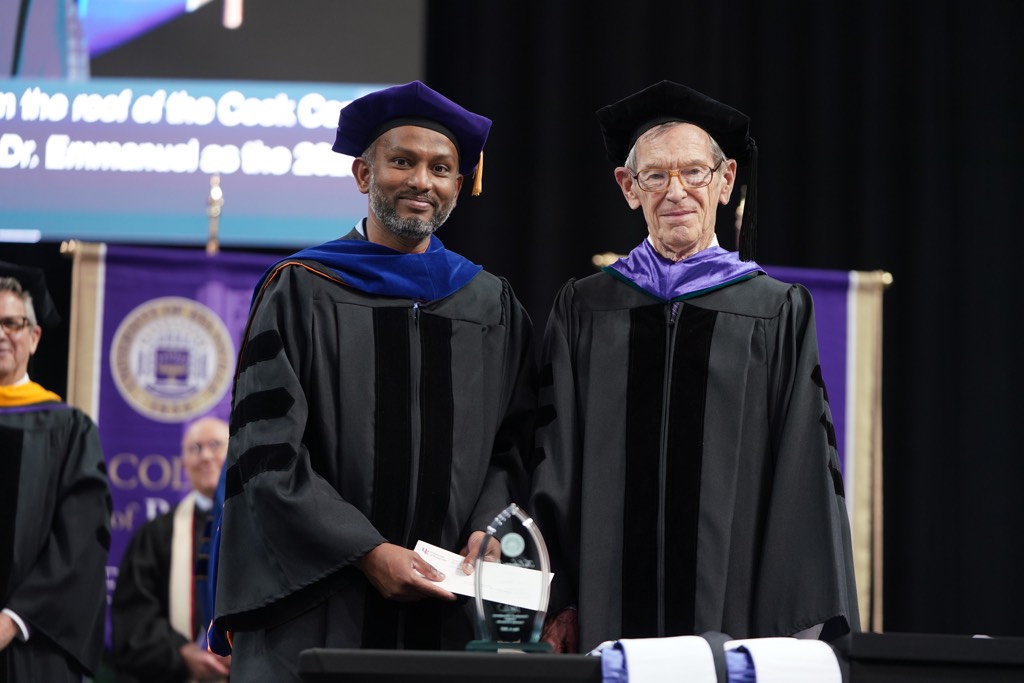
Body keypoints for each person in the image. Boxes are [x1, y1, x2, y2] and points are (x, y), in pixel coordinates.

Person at [213, 80, 536, 681]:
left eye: (441, 168)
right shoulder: (301, 288)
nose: (422, 181)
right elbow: (267, 453)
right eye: (402, 161)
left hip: (447, 609)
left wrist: (488, 531)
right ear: (364, 175)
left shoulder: (490, 304)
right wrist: (367, 552)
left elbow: (512, 444)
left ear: (458, 187)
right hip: (319, 599)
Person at [530, 80, 860, 653]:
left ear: (725, 181)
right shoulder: (585, 307)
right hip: (604, 613)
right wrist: (558, 599)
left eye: (694, 173)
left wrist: (788, 630)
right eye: (655, 176)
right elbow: (552, 461)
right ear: (629, 188)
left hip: (735, 617)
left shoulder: (774, 309)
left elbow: (802, 475)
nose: (675, 191)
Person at [0, 263, 111, 682]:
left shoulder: (67, 428)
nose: (1, 334)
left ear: (34, 336)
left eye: (11, 323)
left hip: (31, 646)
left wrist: (13, 619)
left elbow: (80, 539)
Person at [111, 416, 232, 683]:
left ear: (235, 453)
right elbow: (134, 617)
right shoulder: (155, 535)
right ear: (183, 464)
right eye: (195, 448)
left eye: (215, 445)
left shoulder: (259, 528)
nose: (206, 456)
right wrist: (182, 653)